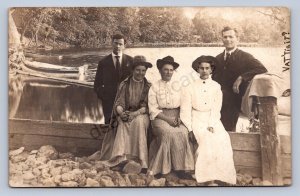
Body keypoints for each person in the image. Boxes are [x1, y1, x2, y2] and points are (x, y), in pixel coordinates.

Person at [180, 55, 236, 185]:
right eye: (201, 68)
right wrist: (189, 128)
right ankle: (207, 178)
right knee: (206, 139)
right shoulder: (189, 86)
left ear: (211, 70)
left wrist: (212, 124)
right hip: (196, 117)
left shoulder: (216, 86)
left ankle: (223, 176)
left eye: (207, 68)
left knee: (223, 137)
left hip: (212, 118)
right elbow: (185, 108)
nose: (204, 71)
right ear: (197, 70)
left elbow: (217, 108)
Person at [102, 55, 152, 172]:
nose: (141, 73)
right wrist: (121, 113)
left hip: (142, 114)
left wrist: (136, 114)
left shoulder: (149, 86)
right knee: (123, 122)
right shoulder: (125, 84)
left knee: (139, 122)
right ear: (133, 70)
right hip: (127, 113)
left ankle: (141, 160)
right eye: (138, 70)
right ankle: (120, 158)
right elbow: (119, 103)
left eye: (143, 70)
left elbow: (149, 106)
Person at [213, 26, 267, 132]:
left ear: (237, 39)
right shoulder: (217, 58)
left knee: (227, 130)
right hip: (216, 100)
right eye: (225, 37)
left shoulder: (245, 57)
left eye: (231, 37)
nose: (228, 39)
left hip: (234, 101)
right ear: (222, 39)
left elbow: (262, 69)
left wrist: (242, 77)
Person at [147, 56, 194, 177]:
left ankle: (182, 168)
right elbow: (152, 109)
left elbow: (184, 104)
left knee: (183, 132)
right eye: (165, 69)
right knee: (167, 132)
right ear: (160, 71)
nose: (168, 72)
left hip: (177, 116)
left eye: (171, 70)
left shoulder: (179, 86)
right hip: (160, 118)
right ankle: (163, 168)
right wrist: (167, 119)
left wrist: (180, 118)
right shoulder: (154, 87)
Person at [94, 33, 133, 124]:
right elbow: (97, 85)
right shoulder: (103, 62)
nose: (118, 46)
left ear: (124, 45)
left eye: (120, 44)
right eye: (115, 43)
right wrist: (105, 97)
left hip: (126, 102)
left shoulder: (131, 61)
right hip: (109, 103)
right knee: (109, 127)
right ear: (111, 43)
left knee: (126, 126)